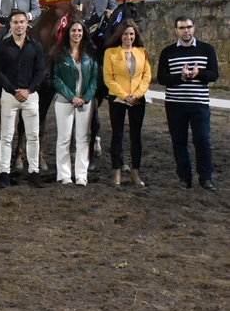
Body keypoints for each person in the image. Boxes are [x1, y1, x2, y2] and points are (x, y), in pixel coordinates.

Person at [157, 16, 220, 191]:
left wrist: (198, 74)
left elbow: (214, 75)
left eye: (189, 27)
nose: (186, 30)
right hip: (175, 104)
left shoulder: (206, 49)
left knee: (202, 141)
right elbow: (162, 78)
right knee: (179, 142)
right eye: (182, 28)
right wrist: (181, 77)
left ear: (194, 28)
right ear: (176, 30)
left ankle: (206, 178)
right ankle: (184, 177)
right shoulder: (167, 52)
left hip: (199, 103)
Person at [0, 10, 46, 189]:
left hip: (30, 96)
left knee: (33, 136)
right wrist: (12, 90)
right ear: (11, 24)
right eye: (15, 22)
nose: (19, 25)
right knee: (6, 136)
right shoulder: (2, 46)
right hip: (9, 95)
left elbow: (40, 71)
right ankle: (4, 173)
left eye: (22, 22)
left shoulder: (36, 46)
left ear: (26, 24)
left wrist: (29, 90)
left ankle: (34, 172)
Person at [102, 21, 151, 188]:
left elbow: (146, 77)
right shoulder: (111, 53)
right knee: (117, 136)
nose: (128, 37)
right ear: (120, 36)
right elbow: (109, 78)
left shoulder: (142, 52)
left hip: (137, 100)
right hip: (117, 99)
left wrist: (136, 95)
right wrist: (124, 95)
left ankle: (135, 172)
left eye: (131, 34)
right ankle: (116, 171)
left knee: (136, 137)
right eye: (125, 34)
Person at [51, 20, 98, 186]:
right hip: (65, 101)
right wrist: (72, 97)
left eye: (79, 30)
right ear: (68, 33)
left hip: (85, 102)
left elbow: (94, 79)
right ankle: (64, 174)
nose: (76, 33)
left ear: (83, 32)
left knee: (83, 138)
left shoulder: (90, 54)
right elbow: (56, 78)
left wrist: (85, 98)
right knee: (64, 138)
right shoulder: (60, 54)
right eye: (73, 30)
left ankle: (81, 175)